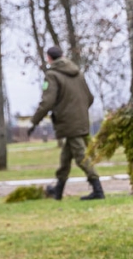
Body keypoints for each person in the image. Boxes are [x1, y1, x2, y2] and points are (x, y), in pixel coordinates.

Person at [28, 46, 104, 201]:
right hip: (81, 120)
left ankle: (98, 189)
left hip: (68, 122)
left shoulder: (52, 75)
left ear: (49, 58)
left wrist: (34, 121)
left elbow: (47, 102)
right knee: (65, 157)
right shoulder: (78, 73)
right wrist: (79, 112)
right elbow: (90, 97)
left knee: (81, 156)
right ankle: (58, 190)